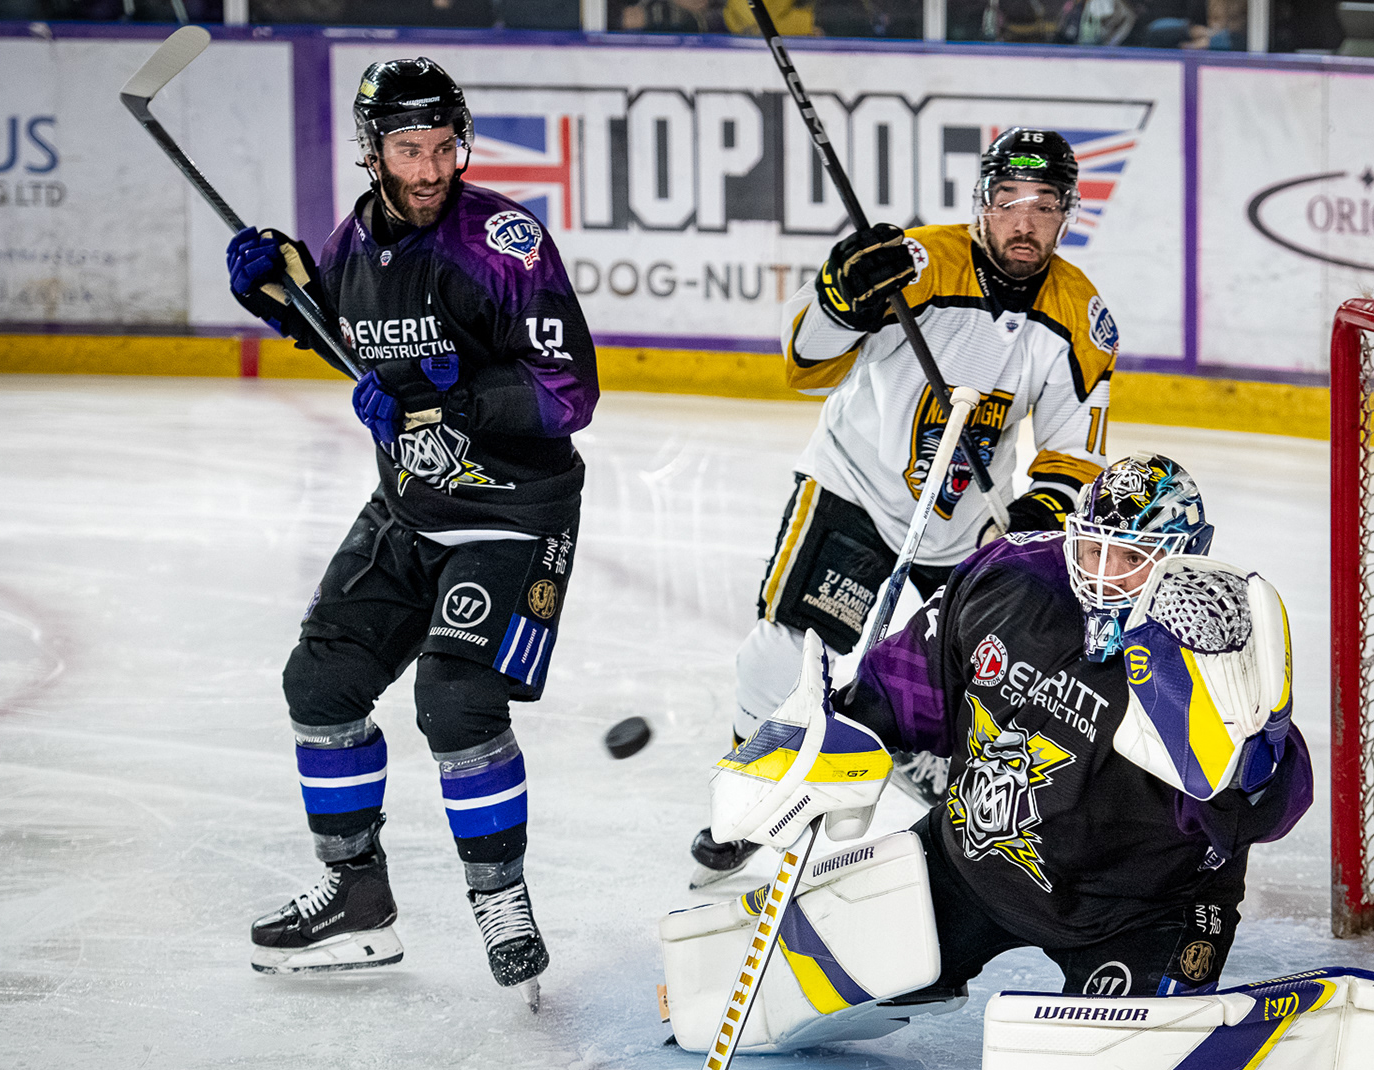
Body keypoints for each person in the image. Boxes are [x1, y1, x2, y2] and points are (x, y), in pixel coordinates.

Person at [224, 58, 598, 1000]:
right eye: (408, 150)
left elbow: (570, 391)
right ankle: (358, 898)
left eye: (442, 147)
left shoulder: (502, 243)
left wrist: (449, 405)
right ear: (372, 152)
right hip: (409, 508)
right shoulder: (354, 241)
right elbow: (348, 341)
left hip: (513, 516)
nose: (430, 170)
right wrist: (279, 294)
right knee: (321, 683)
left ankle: (501, 900)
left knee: (455, 697)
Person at [690, 127, 1116, 887]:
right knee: (784, 651)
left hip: (965, 525)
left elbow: (1073, 449)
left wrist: (1040, 512)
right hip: (854, 487)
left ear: (1067, 214)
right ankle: (749, 804)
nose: (1024, 222)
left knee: (987, 676)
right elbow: (802, 361)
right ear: (982, 204)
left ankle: (948, 790)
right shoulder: (917, 263)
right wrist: (838, 299)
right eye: (1009, 201)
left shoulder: (1079, 316)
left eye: (1044, 205)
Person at [826, 453, 1312, 998]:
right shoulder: (1015, 575)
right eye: (1093, 549)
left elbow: (1271, 805)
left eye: (1131, 557)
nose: (1104, 577)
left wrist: (1252, 771)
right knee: (823, 971)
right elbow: (907, 685)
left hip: (1143, 909)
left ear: (1185, 555)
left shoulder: (1216, 642)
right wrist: (836, 734)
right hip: (974, 861)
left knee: (1123, 1054)